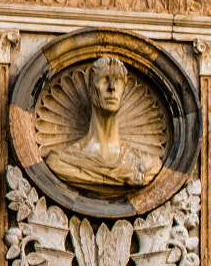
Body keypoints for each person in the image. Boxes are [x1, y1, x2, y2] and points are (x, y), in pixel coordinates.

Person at [45, 56, 163, 197]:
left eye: (117, 80)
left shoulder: (146, 164)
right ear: (91, 88)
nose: (112, 87)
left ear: (124, 91)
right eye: (104, 79)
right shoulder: (61, 161)